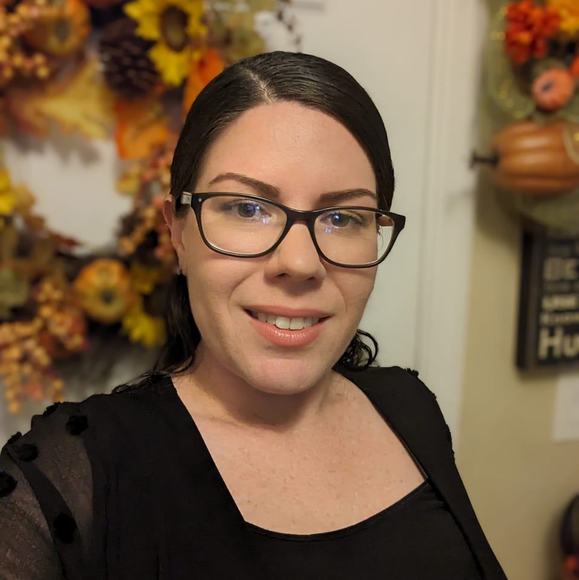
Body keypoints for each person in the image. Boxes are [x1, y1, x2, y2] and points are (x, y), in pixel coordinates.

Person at [0, 51, 507, 579]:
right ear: (177, 232)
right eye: (248, 208)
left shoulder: (411, 410)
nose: (300, 263)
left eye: (342, 217)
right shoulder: (67, 479)